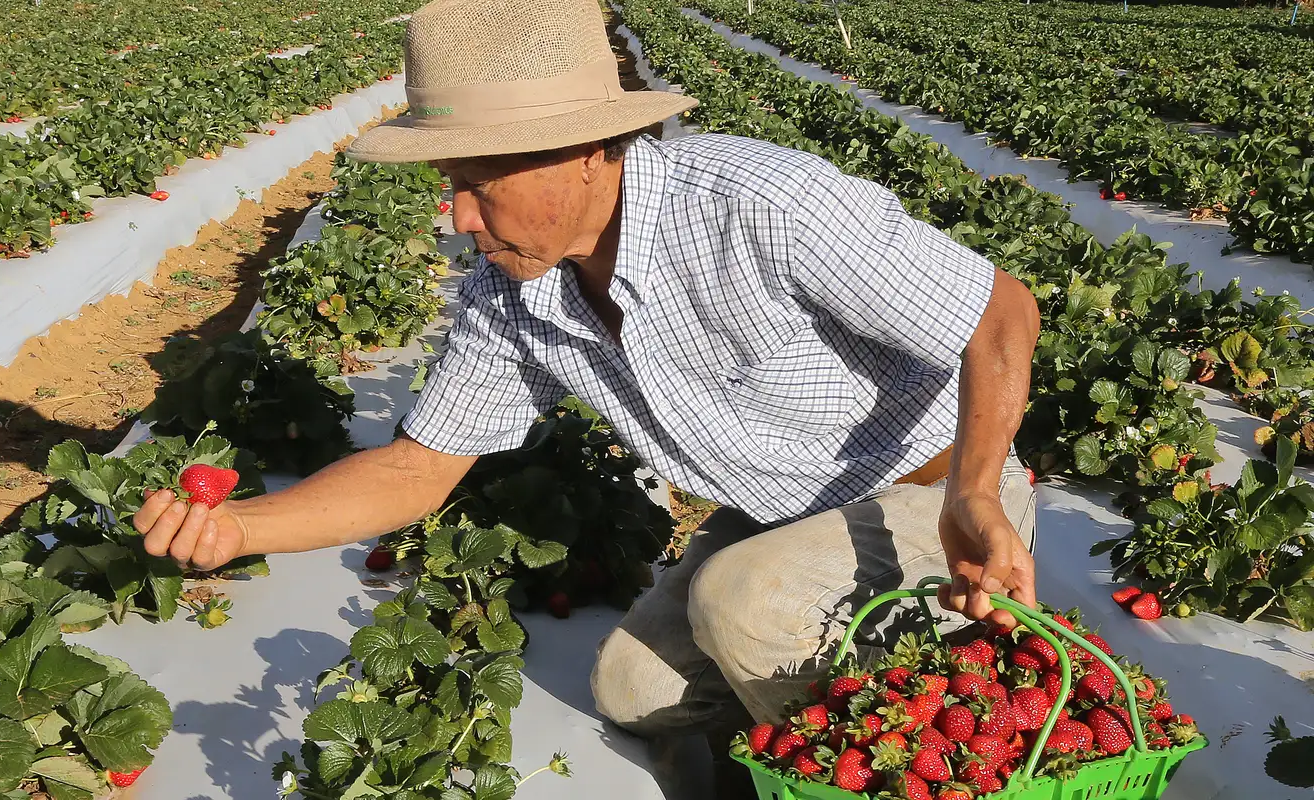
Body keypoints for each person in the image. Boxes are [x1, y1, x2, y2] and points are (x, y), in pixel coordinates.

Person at [134, 0, 1039, 781]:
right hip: (783, 514)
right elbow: (416, 471)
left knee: (746, 602)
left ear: (585, 152)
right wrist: (240, 529)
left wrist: (974, 492)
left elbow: (1000, 314)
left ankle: (899, 768)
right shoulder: (510, 294)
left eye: (480, 184)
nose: (459, 217)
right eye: (450, 186)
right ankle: (806, 731)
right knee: (633, 688)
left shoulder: (761, 205)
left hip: (932, 498)